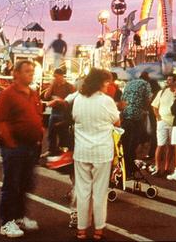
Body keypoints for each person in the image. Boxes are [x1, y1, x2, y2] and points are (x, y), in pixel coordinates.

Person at [0, 60, 43, 238]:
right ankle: (6, 222)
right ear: (16, 73)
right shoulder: (6, 95)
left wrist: (39, 137)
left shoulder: (33, 93)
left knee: (25, 184)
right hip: (14, 147)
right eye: (27, 71)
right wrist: (11, 143)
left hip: (31, 146)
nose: (31, 74)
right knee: (12, 184)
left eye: (32, 71)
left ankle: (19, 216)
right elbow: (1, 121)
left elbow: (37, 115)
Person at [71, 69, 120, 241]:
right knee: (99, 192)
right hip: (102, 151)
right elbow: (117, 121)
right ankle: (99, 230)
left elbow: (75, 118)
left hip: (82, 151)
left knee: (82, 191)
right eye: (107, 82)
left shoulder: (78, 99)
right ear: (100, 82)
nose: (109, 85)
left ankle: (81, 229)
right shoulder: (106, 101)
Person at [120, 71, 152, 179]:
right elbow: (148, 99)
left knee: (125, 142)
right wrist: (145, 109)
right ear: (147, 79)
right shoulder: (145, 84)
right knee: (133, 143)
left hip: (125, 115)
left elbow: (122, 98)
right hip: (136, 116)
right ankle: (130, 168)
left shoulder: (129, 83)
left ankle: (123, 167)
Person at [43, 68, 75, 156]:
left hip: (64, 112)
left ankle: (62, 151)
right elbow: (46, 96)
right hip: (55, 111)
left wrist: (58, 100)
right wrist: (51, 86)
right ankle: (51, 149)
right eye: (54, 77)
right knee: (51, 131)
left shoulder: (69, 86)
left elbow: (72, 100)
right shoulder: (54, 85)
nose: (55, 78)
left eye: (56, 76)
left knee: (63, 133)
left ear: (61, 76)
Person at [150, 74, 176, 176]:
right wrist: (158, 117)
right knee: (160, 145)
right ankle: (158, 168)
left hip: (174, 123)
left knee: (171, 146)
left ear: (175, 81)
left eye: (170, 80)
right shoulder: (161, 92)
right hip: (162, 122)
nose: (168, 81)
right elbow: (154, 106)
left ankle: (166, 168)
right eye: (167, 80)